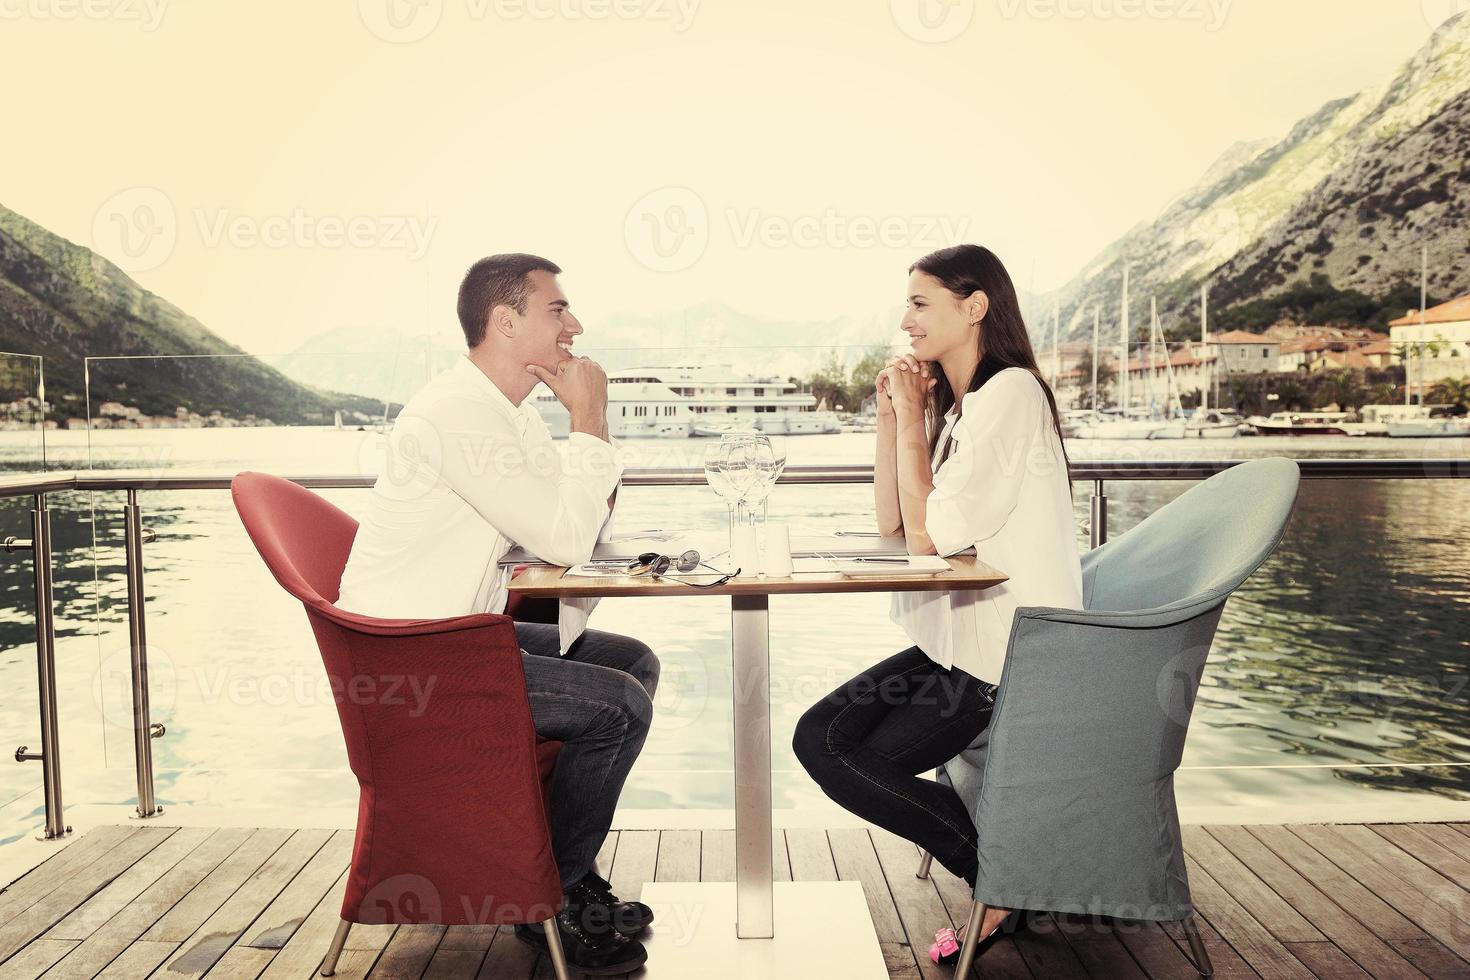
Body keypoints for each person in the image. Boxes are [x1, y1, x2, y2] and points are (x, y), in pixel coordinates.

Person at [336, 253, 658, 975]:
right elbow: (568, 537)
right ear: (506, 323)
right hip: (414, 658)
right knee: (622, 707)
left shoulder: (503, 414)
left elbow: (580, 523)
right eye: (558, 310)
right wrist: (590, 416)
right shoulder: (458, 416)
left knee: (631, 659)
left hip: (462, 633)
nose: (576, 326)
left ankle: (556, 873)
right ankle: (557, 891)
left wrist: (583, 438)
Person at [792, 244, 1083, 961]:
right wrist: (898, 418)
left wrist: (916, 415)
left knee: (840, 754)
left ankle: (995, 878)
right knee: (817, 737)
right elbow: (893, 522)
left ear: (975, 306)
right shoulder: (968, 409)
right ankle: (1002, 872)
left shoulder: (1011, 394)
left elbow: (925, 532)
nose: (905, 321)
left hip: (1006, 659)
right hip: (960, 645)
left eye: (921, 303)